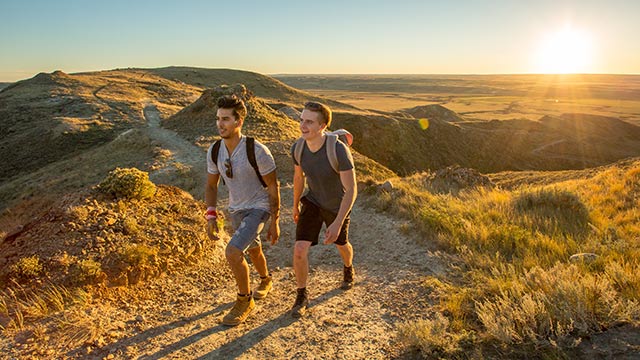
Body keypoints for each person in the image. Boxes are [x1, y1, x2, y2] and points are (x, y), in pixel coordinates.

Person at [205, 94, 280, 326]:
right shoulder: (215, 150)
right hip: (235, 208)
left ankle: (244, 300)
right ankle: (266, 280)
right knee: (254, 249)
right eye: (218, 118)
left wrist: (275, 220)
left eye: (226, 119)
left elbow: (273, 187)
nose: (220, 124)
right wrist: (211, 215)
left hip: (259, 207)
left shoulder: (258, 151)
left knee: (233, 252)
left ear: (239, 122)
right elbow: (211, 185)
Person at [290, 101, 357, 318]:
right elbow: (298, 177)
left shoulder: (338, 149)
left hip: (337, 205)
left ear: (323, 126)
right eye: (302, 120)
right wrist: (294, 205)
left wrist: (337, 223)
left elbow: (351, 189)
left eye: (309, 121)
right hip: (313, 202)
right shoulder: (298, 148)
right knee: (299, 249)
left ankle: (348, 267)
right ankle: (301, 295)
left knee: (342, 244)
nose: (303, 125)